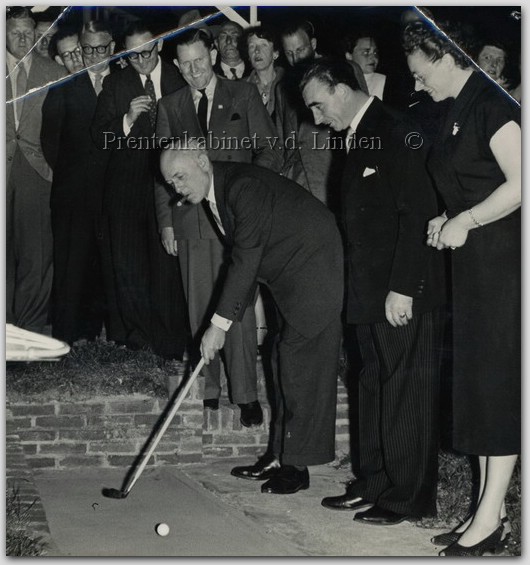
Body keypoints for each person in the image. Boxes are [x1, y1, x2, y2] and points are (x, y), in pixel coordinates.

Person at [301, 60, 445, 524]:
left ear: (341, 90)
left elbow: (418, 212)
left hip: (401, 291)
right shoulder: (359, 133)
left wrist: (403, 289)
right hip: (368, 291)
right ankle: (376, 482)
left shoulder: (396, 128)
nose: (317, 119)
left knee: (406, 391)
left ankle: (408, 496)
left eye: (319, 106)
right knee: (372, 386)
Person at [159, 144, 344, 495]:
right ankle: (279, 455)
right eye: (170, 183)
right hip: (288, 270)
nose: (176, 189)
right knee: (280, 360)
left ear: (202, 161)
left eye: (180, 177)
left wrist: (218, 325)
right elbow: (245, 262)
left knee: (298, 364)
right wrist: (225, 321)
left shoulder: (242, 186)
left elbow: (246, 260)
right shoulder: (220, 190)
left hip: (314, 266)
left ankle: (296, 468)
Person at [403, 20, 520, 556]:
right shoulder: (458, 107)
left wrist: (467, 220)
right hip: (475, 269)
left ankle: (491, 519)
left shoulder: (493, 106)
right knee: (478, 390)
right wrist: (447, 218)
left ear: (447, 58)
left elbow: (522, 185)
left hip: (503, 269)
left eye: (422, 74)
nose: (418, 85)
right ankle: (483, 512)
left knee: (496, 391)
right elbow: (472, 181)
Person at [155, 28, 282, 425]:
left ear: (213, 53)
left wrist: (251, 200)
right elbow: (160, 174)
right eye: (185, 64)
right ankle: (207, 387)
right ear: (176, 65)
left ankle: (245, 394)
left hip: (235, 220)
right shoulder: (170, 105)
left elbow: (269, 150)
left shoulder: (242, 94)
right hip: (189, 220)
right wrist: (166, 224)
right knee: (199, 307)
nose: (194, 71)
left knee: (238, 306)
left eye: (199, 60)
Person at [91, 21, 188, 359]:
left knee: (167, 263)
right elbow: (99, 137)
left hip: (171, 187)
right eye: (132, 57)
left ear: (159, 45)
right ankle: (138, 343)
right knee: (129, 264)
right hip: (127, 188)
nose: (141, 61)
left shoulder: (180, 77)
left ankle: (169, 342)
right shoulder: (116, 84)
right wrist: (127, 121)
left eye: (147, 52)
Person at [41, 21, 117, 345]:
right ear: (81, 50)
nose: (95, 55)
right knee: (71, 268)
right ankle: (66, 338)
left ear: (112, 48)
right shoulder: (63, 88)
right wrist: (75, 178)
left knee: (101, 268)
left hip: (110, 197)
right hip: (73, 197)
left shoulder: (122, 83)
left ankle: (93, 333)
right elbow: (51, 144)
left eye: (102, 49)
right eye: (88, 50)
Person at [6, 7, 66, 333]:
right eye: (15, 32)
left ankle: (28, 336)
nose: (22, 38)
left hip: (38, 173)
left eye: (28, 33)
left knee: (37, 257)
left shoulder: (52, 72)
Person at [275, 20, 345, 208]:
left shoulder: (341, 71)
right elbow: (284, 140)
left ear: (313, 45)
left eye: (300, 50)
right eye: (289, 53)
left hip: (331, 177)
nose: (295, 59)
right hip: (297, 182)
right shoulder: (282, 88)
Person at [244, 25, 284, 120]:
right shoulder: (241, 87)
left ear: (275, 53)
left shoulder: (288, 84)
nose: (257, 51)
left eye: (263, 45)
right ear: (249, 56)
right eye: (252, 46)